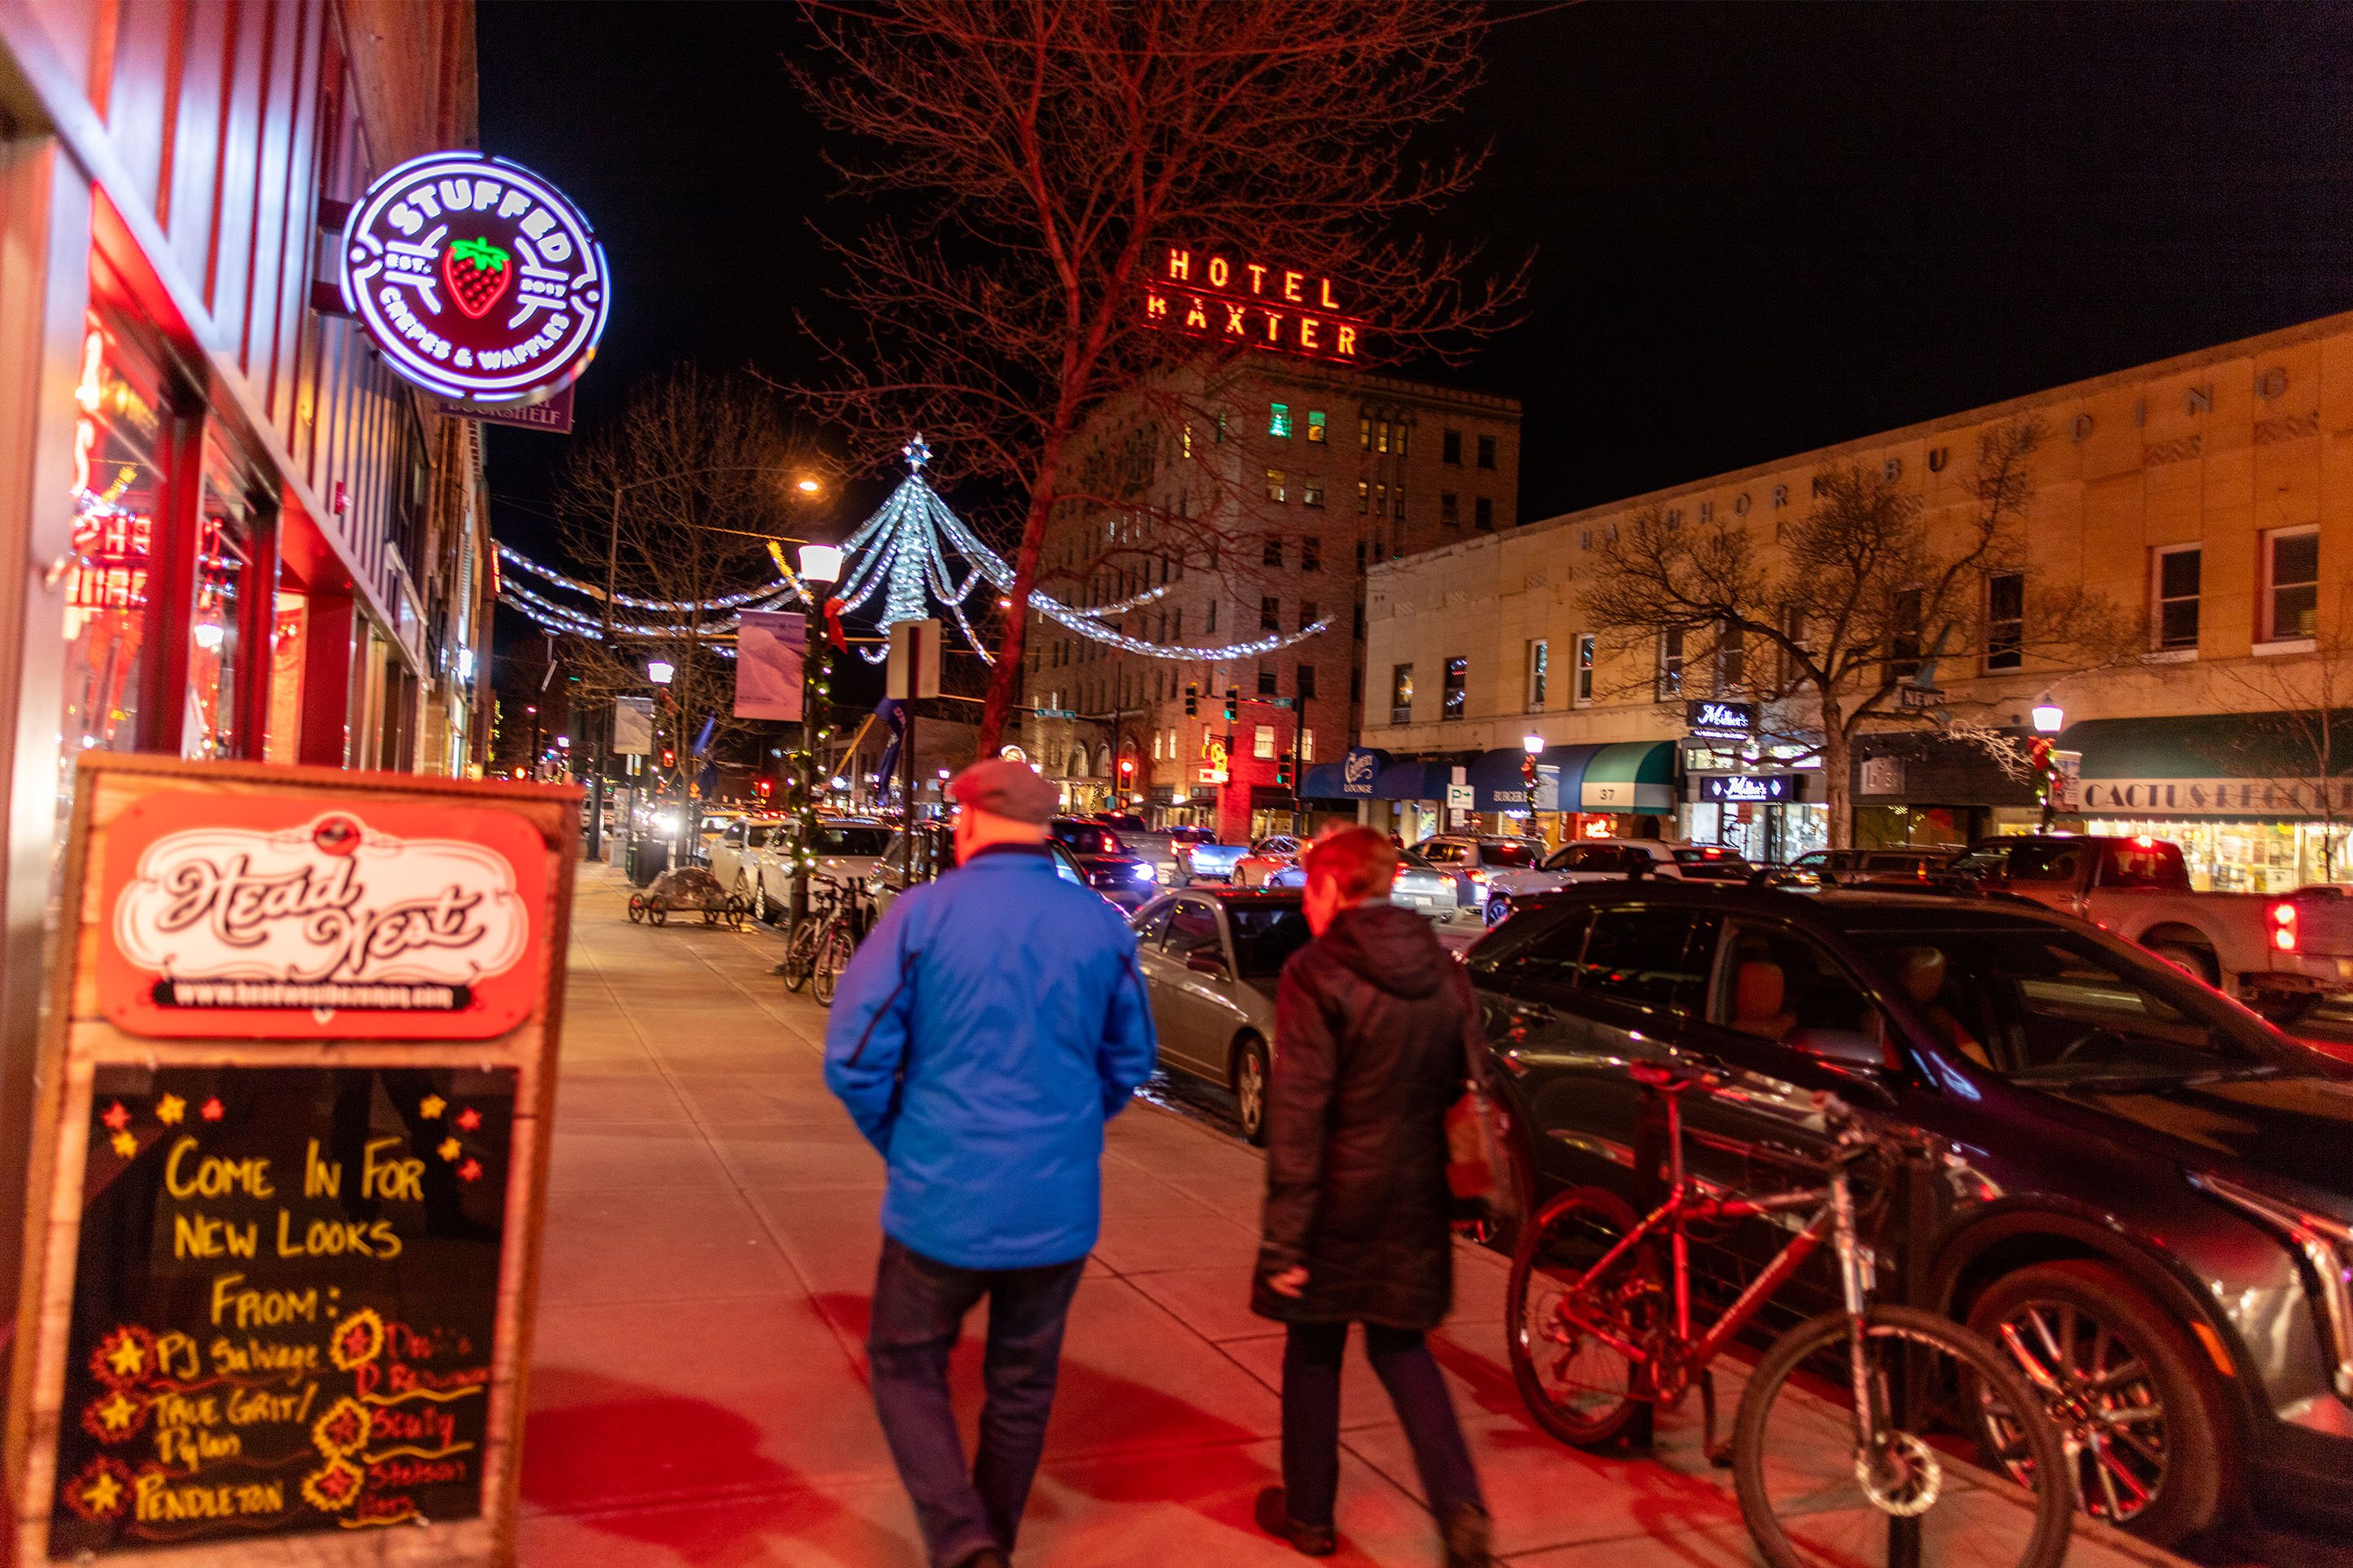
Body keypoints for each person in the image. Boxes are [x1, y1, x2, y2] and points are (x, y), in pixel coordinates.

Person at [825, 758, 1158, 1568]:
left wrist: (905, 1143)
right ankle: (991, 1544)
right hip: (1056, 1208)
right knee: (1022, 1384)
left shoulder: (923, 915)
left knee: (905, 1361)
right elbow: (1130, 1059)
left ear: (969, 822)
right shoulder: (1101, 924)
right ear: (1042, 832)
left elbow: (854, 1058)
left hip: (941, 1199)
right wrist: (1070, 1132)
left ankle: (960, 1538)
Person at [1251, 826, 1494, 1566]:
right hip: (1414, 1189)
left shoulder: (1316, 971)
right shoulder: (1445, 969)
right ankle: (1461, 1507)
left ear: (1330, 887)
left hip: (1334, 1196)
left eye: (1309, 889)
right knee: (1404, 1349)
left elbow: (1298, 1113)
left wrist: (1285, 1240)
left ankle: (1311, 1515)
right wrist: (1468, 1195)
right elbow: (1465, 1086)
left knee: (1314, 1350)